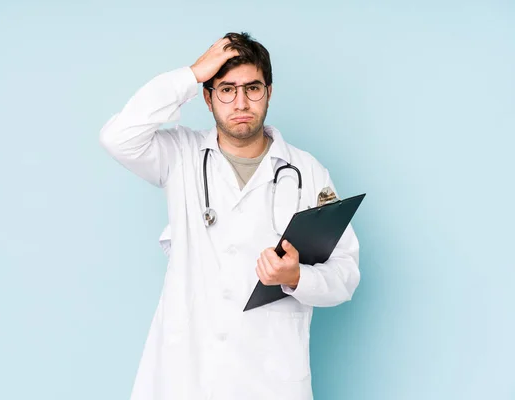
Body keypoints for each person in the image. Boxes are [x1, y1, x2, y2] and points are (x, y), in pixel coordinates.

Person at [99, 32, 360, 400]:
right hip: (188, 375)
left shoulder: (307, 172)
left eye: (253, 88)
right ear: (208, 98)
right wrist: (191, 75)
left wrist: (297, 276)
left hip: (270, 377)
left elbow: (345, 275)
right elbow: (118, 137)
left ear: (269, 92)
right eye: (226, 89)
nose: (241, 102)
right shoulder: (181, 155)